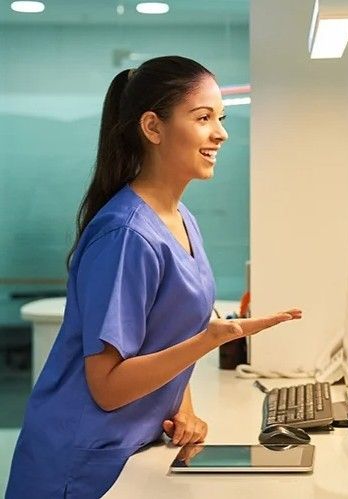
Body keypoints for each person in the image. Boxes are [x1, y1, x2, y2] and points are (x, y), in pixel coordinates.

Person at [6, 55, 302, 498]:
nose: (221, 133)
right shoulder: (126, 235)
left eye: (220, 118)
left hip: (131, 450)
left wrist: (183, 408)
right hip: (79, 465)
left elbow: (159, 338)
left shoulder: (180, 217)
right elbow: (106, 387)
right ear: (153, 127)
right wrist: (211, 339)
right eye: (203, 118)